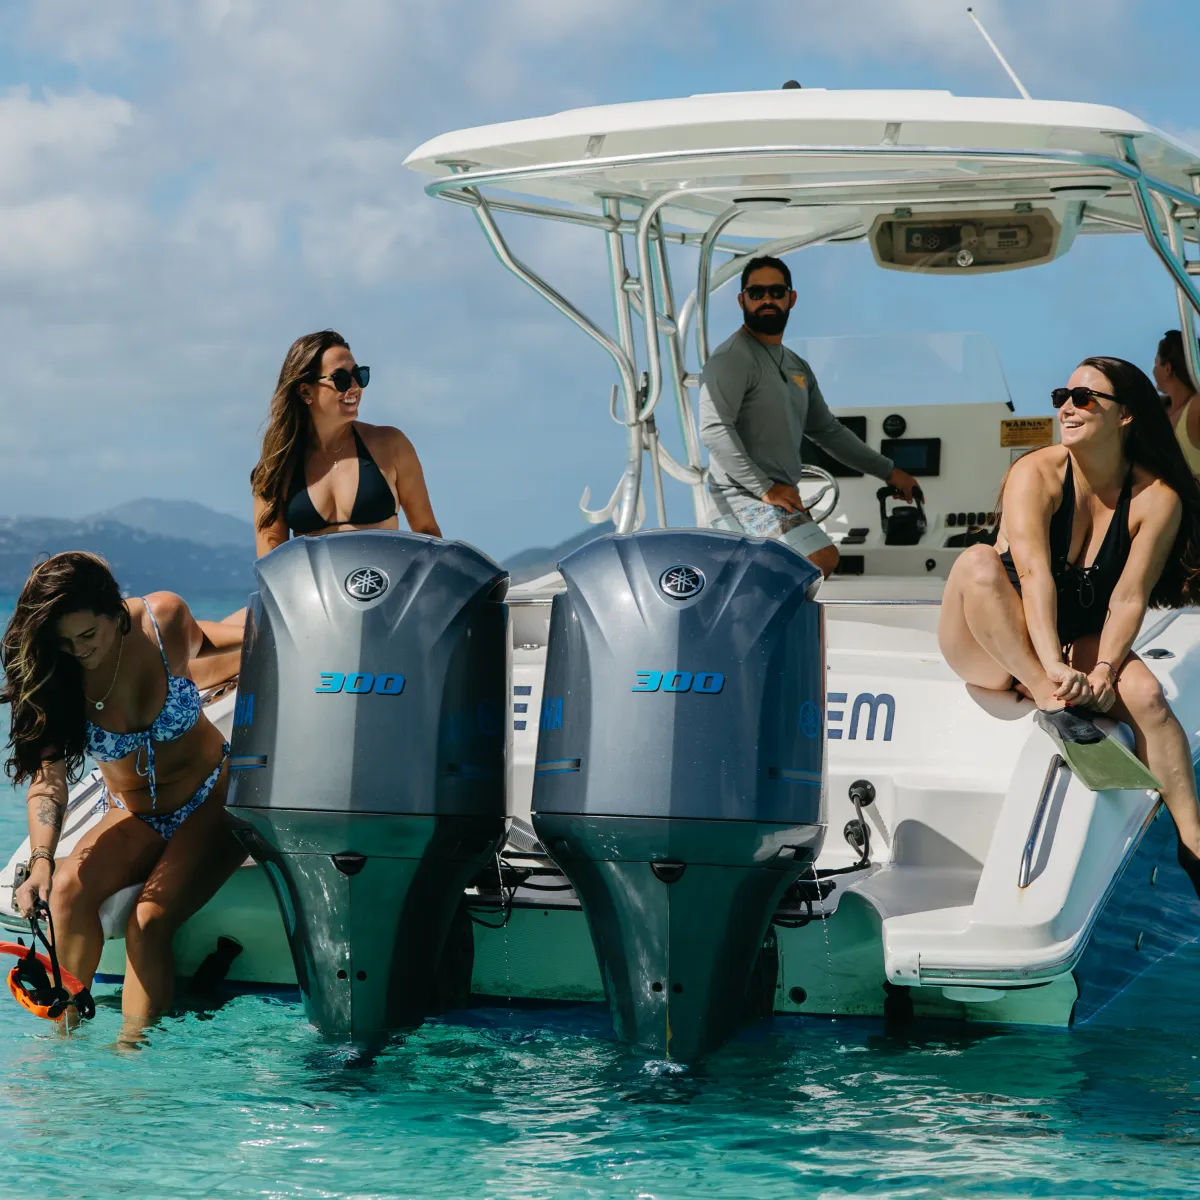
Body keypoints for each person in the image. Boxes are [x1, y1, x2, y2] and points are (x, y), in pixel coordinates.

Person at [937, 357, 1200, 891]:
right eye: (1063, 394)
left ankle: (1195, 849)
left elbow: (1129, 597)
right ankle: (1052, 699)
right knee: (977, 561)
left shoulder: (1157, 498)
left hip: (1068, 642)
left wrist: (1103, 669)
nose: (1067, 407)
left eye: (1085, 398)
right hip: (990, 644)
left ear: (1125, 415)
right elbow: (1034, 576)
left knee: (1146, 696)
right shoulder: (1033, 472)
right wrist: (1052, 670)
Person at [2, 552, 247, 1037]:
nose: (78, 650)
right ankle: (63, 1043)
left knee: (148, 920)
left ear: (115, 614)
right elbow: (48, 780)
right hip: (134, 811)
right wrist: (44, 859)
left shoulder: (162, 621)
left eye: (88, 636)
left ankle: (133, 1066)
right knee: (68, 891)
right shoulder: (56, 675)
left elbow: (208, 641)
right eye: (64, 641)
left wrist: (284, 634)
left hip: (212, 794)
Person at [698, 256, 919, 576]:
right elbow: (714, 429)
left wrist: (888, 472)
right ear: (741, 300)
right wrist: (766, 488)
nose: (767, 300)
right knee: (821, 559)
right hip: (741, 501)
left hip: (779, 501)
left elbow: (827, 430)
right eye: (756, 293)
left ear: (792, 298)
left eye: (776, 291)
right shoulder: (731, 359)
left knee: (837, 565)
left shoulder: (796, 366)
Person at [251, 330, 441, 557]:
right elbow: (271, 559)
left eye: (359, 375)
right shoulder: (278, 466)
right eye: (340, 378)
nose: (354, 386)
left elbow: (428, 534)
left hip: (390, 590)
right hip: (317, 593)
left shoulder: (391, 445)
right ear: (305, 391)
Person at [1153, 329, 1200, 479]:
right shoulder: (1158, 413)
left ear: (1167, 368)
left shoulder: (1196, 407)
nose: (1153, 370)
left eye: (1156, 364)